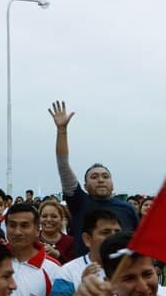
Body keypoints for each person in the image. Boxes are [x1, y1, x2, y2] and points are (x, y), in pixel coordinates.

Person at [49, 101, 140, 235]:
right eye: (94, 177)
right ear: (85, 186)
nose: (101, 180)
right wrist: (62, 131)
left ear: (113, 184)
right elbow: (63, 165)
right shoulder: (79, 202)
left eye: (105, 176)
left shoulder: (127, 209)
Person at [38, 197, 74, 263]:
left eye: (54, 216)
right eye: (44, 216)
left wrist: (58, 255)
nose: (48, 220)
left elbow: (74, 268)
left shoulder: (71, 242)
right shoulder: (31, 240)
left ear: (61, 219)